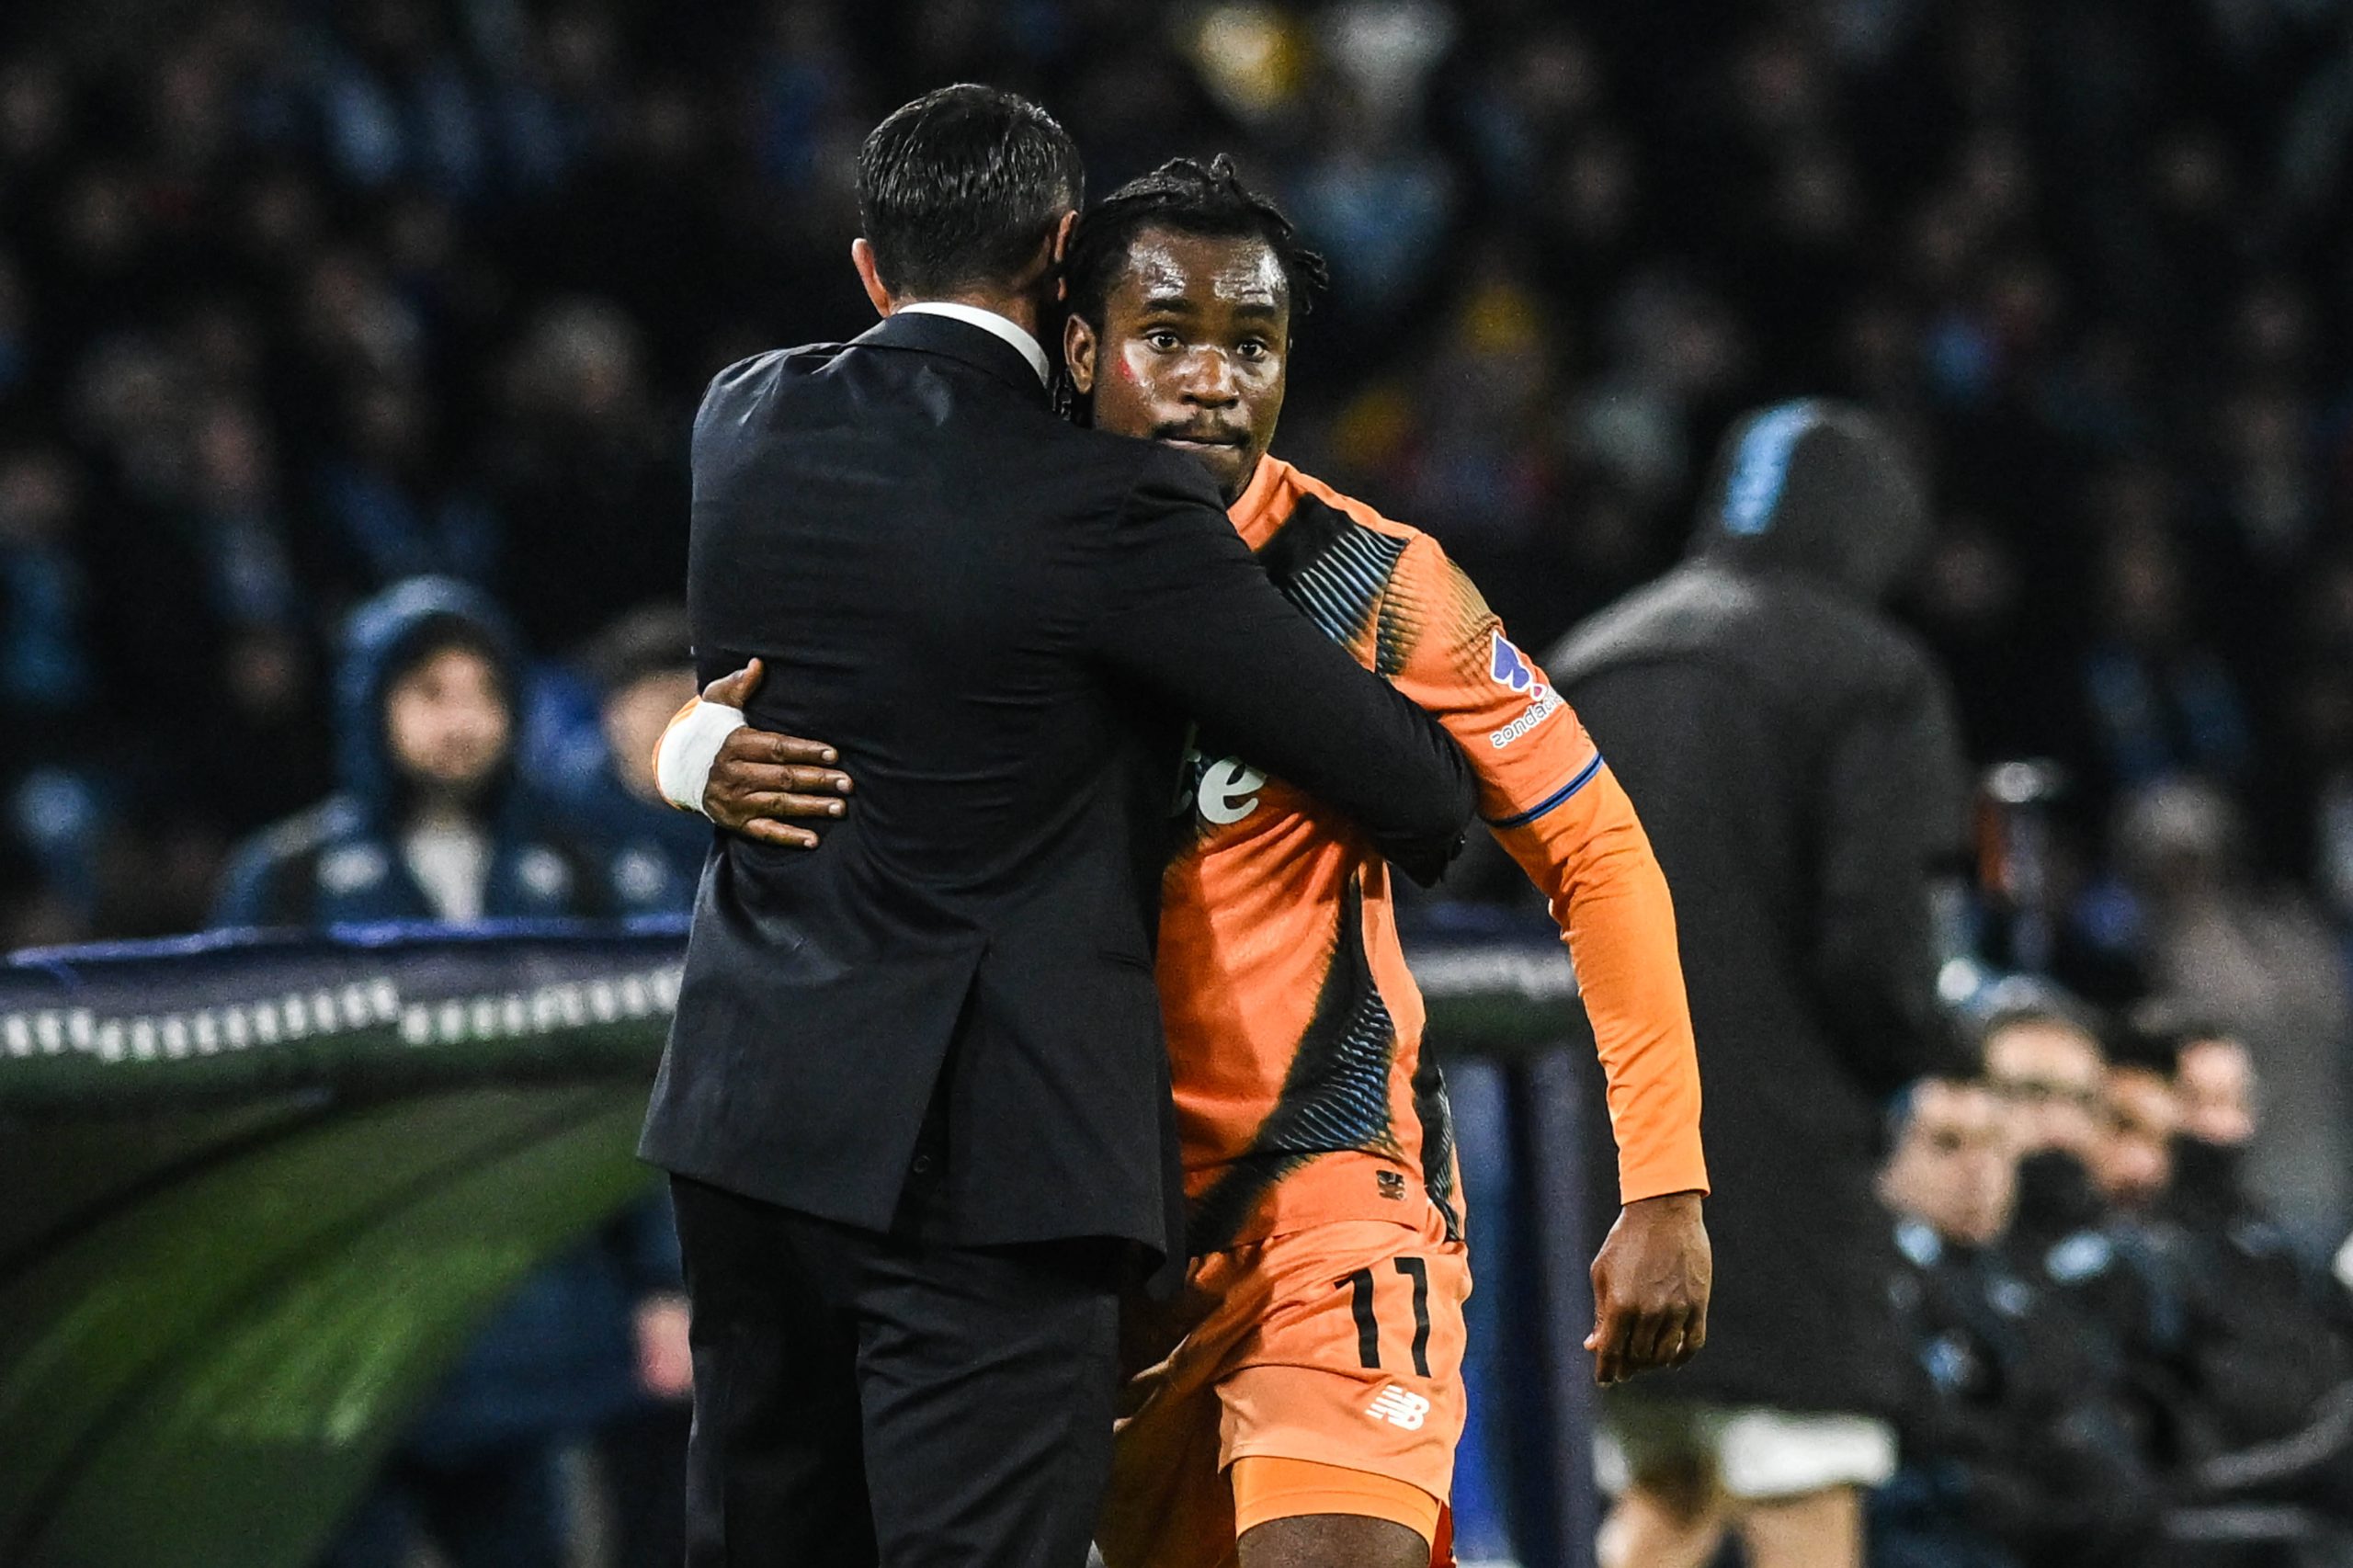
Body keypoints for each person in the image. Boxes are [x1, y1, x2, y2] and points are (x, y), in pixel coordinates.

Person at [654, 154, 1712, 1568]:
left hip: (1330, 1202)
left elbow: (1596, 845)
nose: (1214, 382)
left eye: (1253, 346)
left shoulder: (1371, 579)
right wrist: (688, 754)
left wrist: (1665, 1180)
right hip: (1062, 1238)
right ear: (1078, 341)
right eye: (1170, 339)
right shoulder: (990, 545)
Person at [1542, 402, 1972, 1568]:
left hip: (1606, 1173)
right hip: (1780, 1184)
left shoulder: (1592, 658)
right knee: (1802, 1483)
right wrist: (1927, 1055)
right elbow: (1872, 949)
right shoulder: (1868, 675)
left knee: (1661, 1494)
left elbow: (1494, 911)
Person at [212, 575, 688, 1568]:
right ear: (371, 701)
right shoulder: (287, 879)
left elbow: (642, 1094)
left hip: (544, 1323)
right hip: (348, 1331)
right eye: (430, 691)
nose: (461, 719)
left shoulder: (586, 875)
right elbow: (242, 1109)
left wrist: (662, 1279)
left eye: (483, 691)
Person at [1871, 1076, 2162, 1568]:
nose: (1978, 1170)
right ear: (1884, 1162)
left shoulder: (2036, 1282)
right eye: (1947, 1145)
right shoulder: (1867, 1289)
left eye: (1994, 1145)